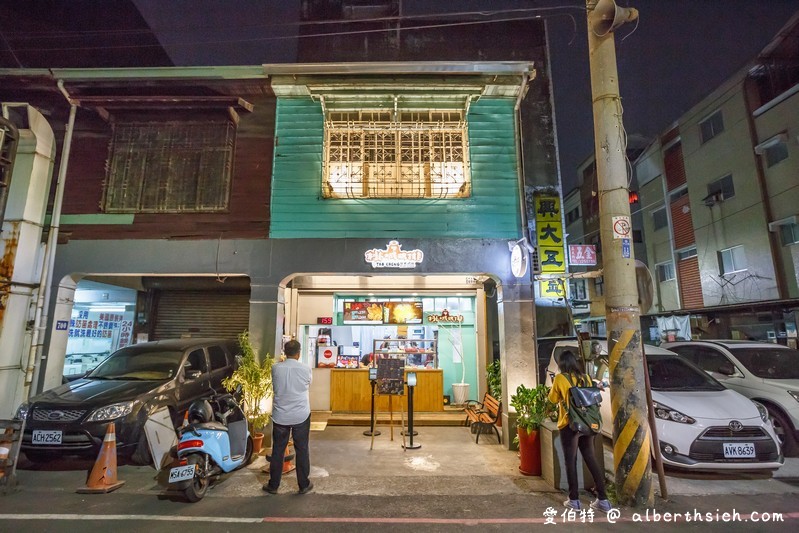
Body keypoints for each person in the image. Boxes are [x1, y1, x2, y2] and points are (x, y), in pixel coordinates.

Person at [547, 350, 613, 513]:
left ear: (562, 364)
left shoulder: (561, 378)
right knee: (590, 458)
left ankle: (574, 500)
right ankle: (603, 500)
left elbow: (552, 399)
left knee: (571, 461)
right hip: (588, 424)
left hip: (570, 425)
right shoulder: (586, 377)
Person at [263, 339, 314, 495]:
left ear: (285, 353)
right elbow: (308, 384)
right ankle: (303, 485)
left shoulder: (275, 368)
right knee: (302, 449)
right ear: (298, 353)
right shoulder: (306, 369)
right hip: (301, 414)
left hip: (281, 416)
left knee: (278, 450)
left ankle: (273, 485)